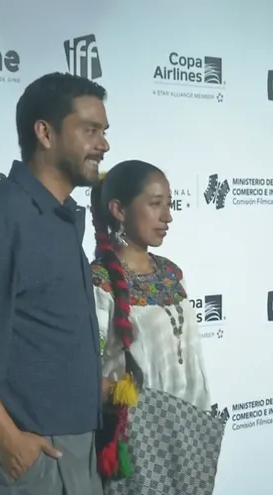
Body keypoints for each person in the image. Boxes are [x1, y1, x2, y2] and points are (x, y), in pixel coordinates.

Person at [0, 72, 110, 495]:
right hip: (25, 459)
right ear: (45, 132)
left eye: (103, 132)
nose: (103, 144)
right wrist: (10, 441)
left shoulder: (58, 217)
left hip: (75, 450)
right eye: (90, 130)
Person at [89, 160, 213, 488]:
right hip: (138, 441)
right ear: (119, 209)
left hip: (191, 434)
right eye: (156, 205)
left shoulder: (172, 273)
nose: (167, 216)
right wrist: (119, 394)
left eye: (169, 205)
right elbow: (85, 371)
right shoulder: (99, 281)